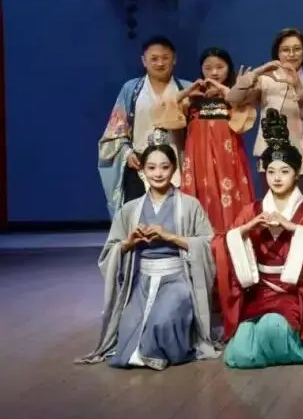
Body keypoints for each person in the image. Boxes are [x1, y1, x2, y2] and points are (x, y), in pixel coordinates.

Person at [78, 135, 217, 369]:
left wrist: (170, 236)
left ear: (174, 168)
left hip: (177, 279)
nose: (158, 173)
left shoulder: (189, 205)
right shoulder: (130, 209)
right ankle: (139, 352)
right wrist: (129, 243)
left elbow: (208, 243)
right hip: (141, 281)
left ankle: (164, 350)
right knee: (128, 328)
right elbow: (110, 251)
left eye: (165, 167)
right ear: (142, 170)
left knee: (161, 320)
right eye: (151, 167)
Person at [215, 110, 303, 368]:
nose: (277, 178)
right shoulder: (252, 210)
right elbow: (220, 242)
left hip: (292, 293)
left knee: (273, 328)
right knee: (238, 352)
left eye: (284, 171)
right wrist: (245, 229)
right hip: (259, 291)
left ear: (297, 173)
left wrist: (294, 228)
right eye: (271, 171)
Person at [98, 35, 192, 216]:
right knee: (138, 219)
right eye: (154, 59)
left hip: (178, 166)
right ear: (144, 61)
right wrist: (127, 152)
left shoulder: (187, 89)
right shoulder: (131, 90)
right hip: (140, 165)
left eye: (165, 58)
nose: (160, 63)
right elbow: (115, 131)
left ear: (174, 59)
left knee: (176, 218)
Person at [227, 27, 303, 202]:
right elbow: (233, 99)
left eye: (297, 49)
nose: (291, 54)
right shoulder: (266, 81)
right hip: (271, 157)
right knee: (272, 212)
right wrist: (258, 72)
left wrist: (297, 85)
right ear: (277, 53)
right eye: (285, 50)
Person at [179, 47, 256, 233]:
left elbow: (243, 122)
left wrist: (229, 91)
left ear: (229, 68)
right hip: (199, 160)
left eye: (220, 67)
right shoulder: (193, 97)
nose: (214, 73)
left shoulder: (235, 96)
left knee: (232, 199)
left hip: (227, 159)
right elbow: (165, 114)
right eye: (208, 68)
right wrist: (186, 94)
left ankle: (233, 243)